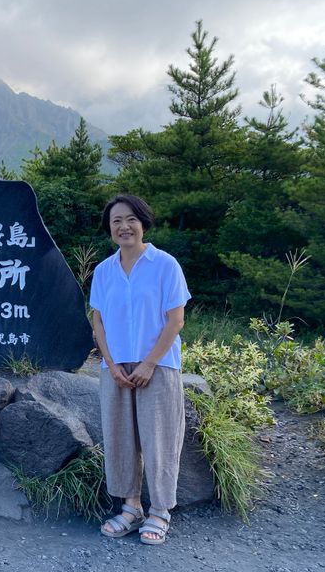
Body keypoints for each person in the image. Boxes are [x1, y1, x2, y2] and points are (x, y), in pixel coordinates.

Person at [89, 194, 191, 545]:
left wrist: (149, 363)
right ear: (109, 229)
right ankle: (130, 507)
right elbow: (98, 322)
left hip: (158, 365)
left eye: (131, 219)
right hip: (115, 367)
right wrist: (112, 364)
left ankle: (160, 511)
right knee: (120, 438)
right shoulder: (104, 271)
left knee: (159, 439)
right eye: (116, 221)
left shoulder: (165, 265)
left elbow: (175, 320)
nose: (124, 226)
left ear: (143, 223)